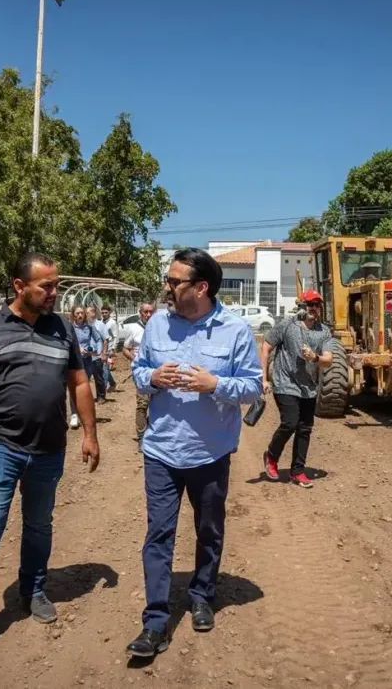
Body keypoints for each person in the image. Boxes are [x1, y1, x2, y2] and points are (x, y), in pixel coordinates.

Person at [0, 252, 100, 654]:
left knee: (38, 525)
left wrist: (90, 433)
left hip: (49, 449)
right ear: (19, 286)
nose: (54, 293)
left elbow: (79, 382)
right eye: (46, 286)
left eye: (56, 285)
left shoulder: (63, 329)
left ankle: (33, 590)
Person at [126, 248, 262, 658]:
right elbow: (137, 373)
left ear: (201, 288)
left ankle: (202, 594)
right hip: (162, 450)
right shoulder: (156, 324)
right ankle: (155, 622)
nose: (166, 288)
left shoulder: (235, 331)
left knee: (209, 529)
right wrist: (152, 376)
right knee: (158, 534)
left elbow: (253, 387)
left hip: (210, 453)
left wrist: (215, 384)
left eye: (174, 281)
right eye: (168, 280)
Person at [261, 289, 333, 488]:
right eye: (310, 304)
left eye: (317, 305)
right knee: (290, 422)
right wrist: (264, 378)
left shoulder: (324, 331)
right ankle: (272, 456)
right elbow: (266, 347)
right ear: (302, 306)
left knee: (305, 429)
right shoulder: (287, 324)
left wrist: (315, 357)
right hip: (284, 383)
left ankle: (298, 471)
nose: (313, 308)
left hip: (308, 387)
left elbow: (328, 359)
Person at [122, 303, 155, 452]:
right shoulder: (133, 329)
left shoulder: (158, 328)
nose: (148, 315)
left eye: (151, 312)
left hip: (157, 373)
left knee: (157, 404)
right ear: (140, 312)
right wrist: (134, 359)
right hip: (141, 373)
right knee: (142, 404)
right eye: (145, 312)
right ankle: (141, 438)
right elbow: (125, 348)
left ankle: (152, 432)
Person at [68, 305, 97, 429]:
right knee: (74, 386)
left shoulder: (89, 328)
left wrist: (92, 348)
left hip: (87, 360)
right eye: (77, 313)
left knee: (85, 387)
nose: (80, 315)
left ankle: (85, 413)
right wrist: (77, 348)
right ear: (73, 315)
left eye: (82, 313)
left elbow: (96, 340)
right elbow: (68, 342)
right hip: (74, 361)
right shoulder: (69, 328)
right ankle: (74, 414)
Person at [85, 305, 108, 405]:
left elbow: (105, 340)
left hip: (96, 356)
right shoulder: (84, 325)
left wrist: (104, 353)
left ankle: (101, 396)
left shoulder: (100, 325)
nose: (85, 314)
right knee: (85, 378)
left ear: (93, 313)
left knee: (98, 377)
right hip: (86, 356)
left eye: (87, 312)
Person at [101, 304, 118, 392]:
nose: (104, 314)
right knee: (103, 367)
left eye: (106, 312)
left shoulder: (112, 323)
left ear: (109, 313)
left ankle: (103, 388)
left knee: (105, 367)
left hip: (109, 348)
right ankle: (112, 383)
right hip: (102, 348)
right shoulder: (101, 322)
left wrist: (113, 349)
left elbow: (116, 337)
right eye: (103, 312)